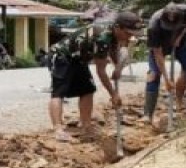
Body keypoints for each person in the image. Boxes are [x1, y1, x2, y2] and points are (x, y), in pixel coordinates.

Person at [47, 11, 143, 141]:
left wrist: (117, 68)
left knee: (88, 90)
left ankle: (86, 125)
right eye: (128, 33)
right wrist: (113, 94)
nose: (130, 37)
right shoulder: (102, 37)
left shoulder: (114, 34)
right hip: (62, 56)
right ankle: (58, 129)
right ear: (118, 27)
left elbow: (114, 50)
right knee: (59, 92)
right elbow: (101, 71)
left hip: (79, 58)